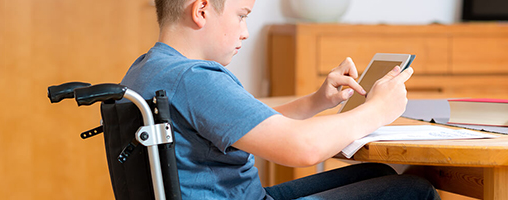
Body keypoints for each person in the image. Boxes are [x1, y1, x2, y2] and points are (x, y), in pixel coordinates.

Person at [120, 0, 440, 199]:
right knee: (414, 191)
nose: (245, 32)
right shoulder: (195, 78)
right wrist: (377, 110)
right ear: (202, 10)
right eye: (242, 15)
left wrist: (318, 100)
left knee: (379, 174)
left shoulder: (150, 69)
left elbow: (249, 123)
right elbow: (301, 149)